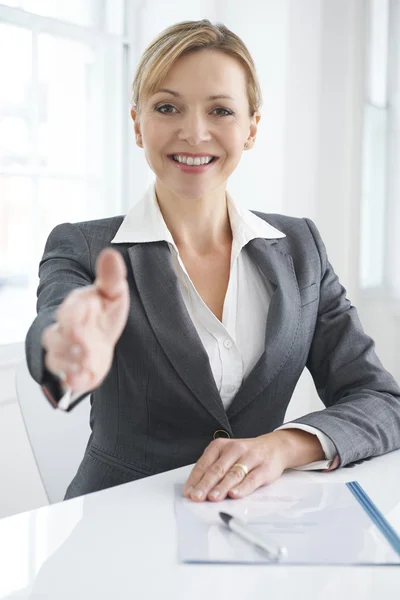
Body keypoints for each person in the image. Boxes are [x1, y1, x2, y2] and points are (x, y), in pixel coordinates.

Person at [26, 19, 400, 504]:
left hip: (255, 530)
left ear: (251, 129)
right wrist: (65, 347)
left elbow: (380, 401)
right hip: (117, 528)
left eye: (220, 110)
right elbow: (55, 326)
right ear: (138, 124)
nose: (194, 132)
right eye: (167, 107)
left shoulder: (301, 247)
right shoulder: (84, 247)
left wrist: (283, 446)